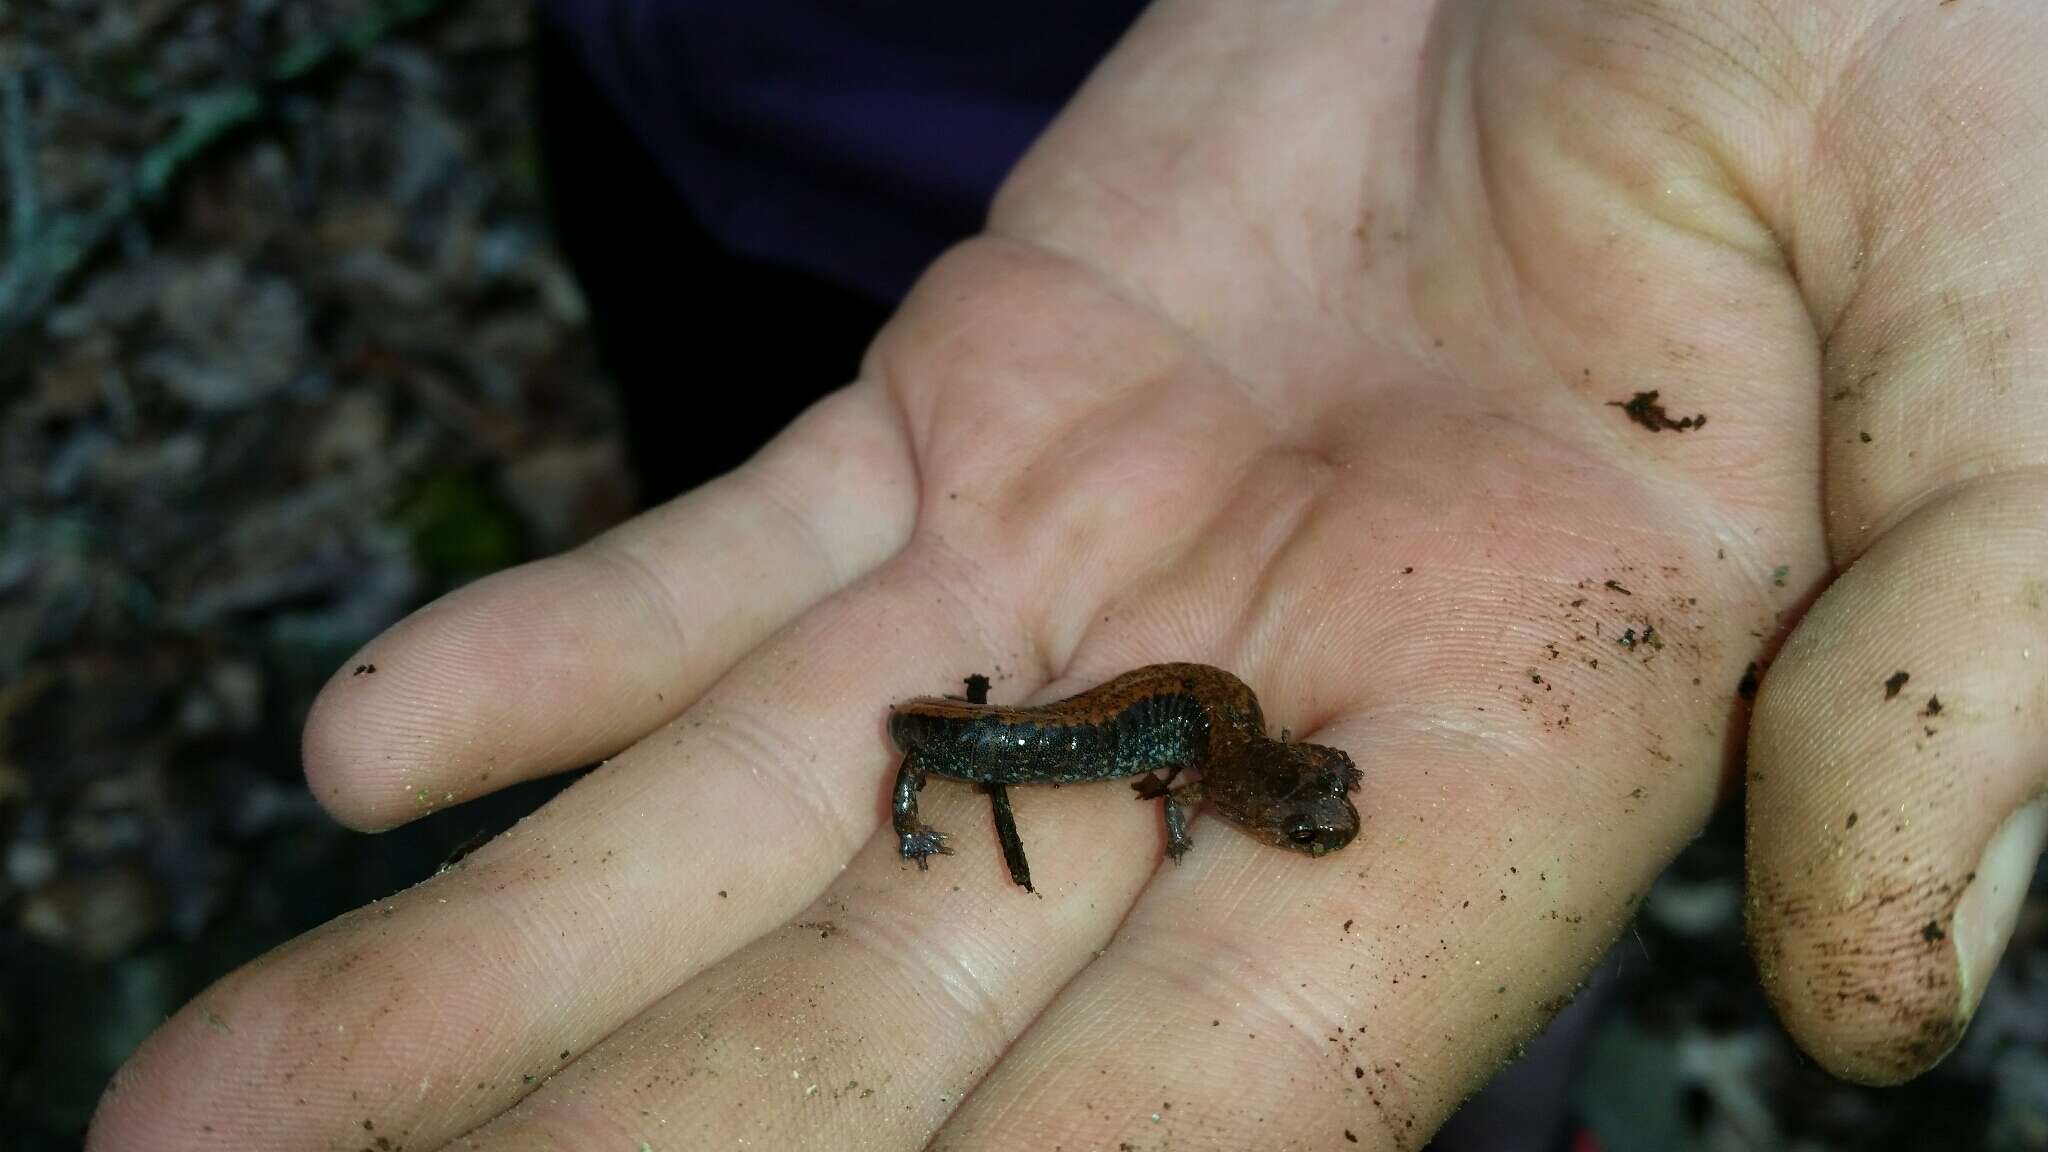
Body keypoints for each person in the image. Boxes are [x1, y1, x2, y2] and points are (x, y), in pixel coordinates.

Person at [87, 1, 2048, 1148]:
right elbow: (1017, 757)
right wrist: (978, 812)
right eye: (1302, 809)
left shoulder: (1179, 755)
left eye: (1301, 809)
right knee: (883, 674)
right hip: (735, 108)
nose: (1306, 810)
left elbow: (1182, 757)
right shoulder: (1038, 756)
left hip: (1273, 176)